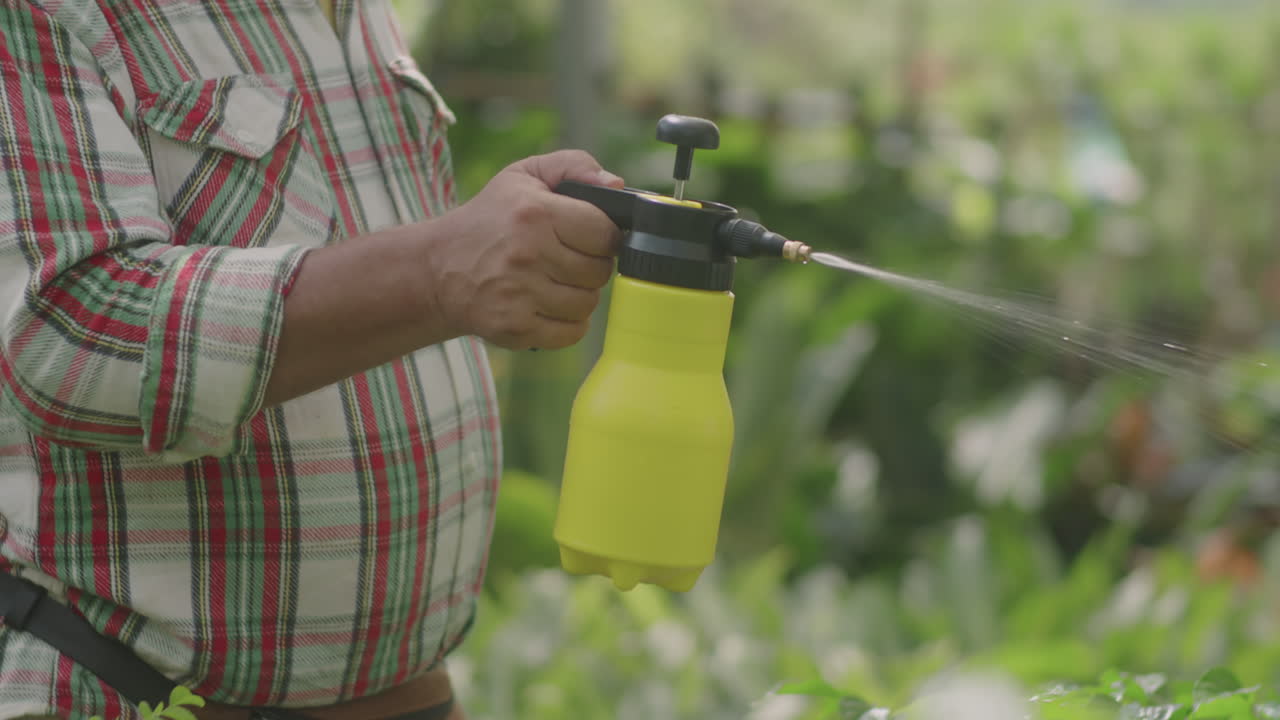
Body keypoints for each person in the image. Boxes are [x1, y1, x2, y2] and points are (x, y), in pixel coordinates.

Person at [0, 1, 622, 718]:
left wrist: (477, 255)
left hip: (409, 694)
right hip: (137, 694)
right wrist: (439, 270)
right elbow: (71, 336)